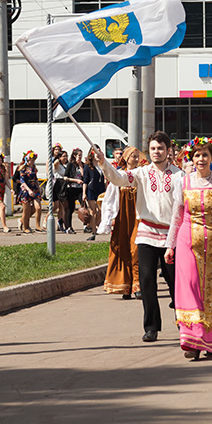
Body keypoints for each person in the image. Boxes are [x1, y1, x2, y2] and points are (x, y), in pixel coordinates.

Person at [96, 131, 182, 343]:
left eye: (160, 148)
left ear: (168, 151)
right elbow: (119, 178)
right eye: (153, 148)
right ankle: (151, 327)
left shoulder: (179, 175)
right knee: (146, 281)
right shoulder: (142, 173)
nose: (156, 152)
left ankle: (184, 320)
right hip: (146, 233)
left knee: (174, 282)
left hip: (171, 235)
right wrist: (104, 164)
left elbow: (182, 207)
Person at [164, 138, 212, 360]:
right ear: (191, 158)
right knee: (189, 287)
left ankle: (210, 340)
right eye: (196, 155)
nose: (200, 159)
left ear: (211, 157)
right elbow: (177, 215)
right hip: (188, 241)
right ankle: (191, 340)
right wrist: (170, 245)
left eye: (204, 155)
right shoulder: (183, 181)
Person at [98, 146, 142, 299]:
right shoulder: (120, 176)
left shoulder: (141, 175)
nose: (135, 159)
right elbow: (109, 201)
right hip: (123, 218)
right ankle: (124, 286)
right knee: (122, 249)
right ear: (126, 157)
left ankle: (137, 285)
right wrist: (108, 220)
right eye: (133, 156)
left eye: (137, 156)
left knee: (136, 250)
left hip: (138, 218)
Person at [18, 151, 43, 233]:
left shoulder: (34, 169)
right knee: (27, 209)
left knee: (38, 207)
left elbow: (35, 178)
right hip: (26, 189)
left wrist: (38, 187)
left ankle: (38, 226)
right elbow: (22, 181)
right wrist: (28, 190)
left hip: (34, 188)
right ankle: (26, 227)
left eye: (33, 160)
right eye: (31, 160)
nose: (32, 162)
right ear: (27, 160)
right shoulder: (23, 169)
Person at [83, 150, 105, 241]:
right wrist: (84, 193)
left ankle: (94, 225)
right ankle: (93, 230)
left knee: (100, 210)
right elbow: (85, 180)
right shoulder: (88, 166)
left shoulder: (100, 165)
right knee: (93, 211)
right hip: (91, 190)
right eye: (96, 153)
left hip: (100, 189)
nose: (97, 155)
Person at [64, 149, 83, 234]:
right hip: (71, 188)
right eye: (79, 155)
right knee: (70, 208)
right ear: (75, 155)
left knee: (83, 205)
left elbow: (84, 175)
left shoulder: (82, 165)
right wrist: (75, 180)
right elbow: (65, 177)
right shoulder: (70, 165)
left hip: (80, 188)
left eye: (81, 155)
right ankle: (68, 227)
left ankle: (86, 225)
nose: (80, 157)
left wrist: (81, 165)